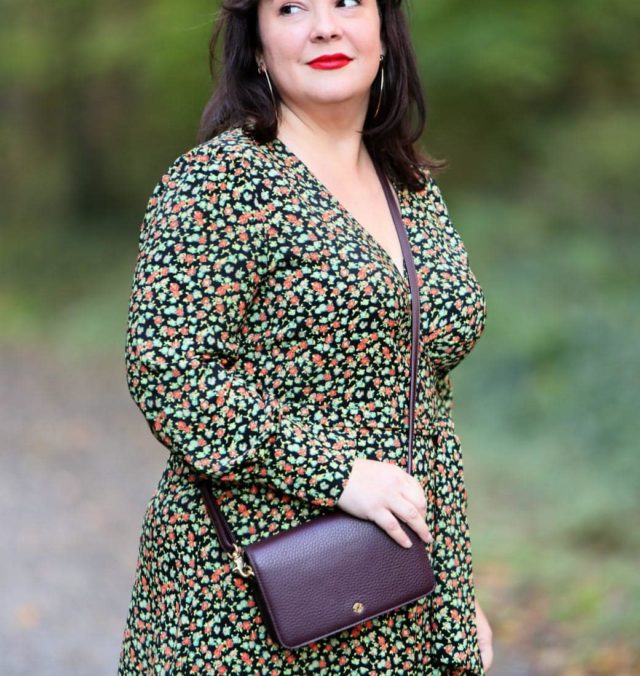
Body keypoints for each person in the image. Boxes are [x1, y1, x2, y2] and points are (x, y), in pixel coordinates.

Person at [118, 0, 494, 673]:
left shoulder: (409, 187)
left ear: (385, 32)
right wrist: (338, 473)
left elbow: (423, 406)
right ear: (258, 45)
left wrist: (454, 590)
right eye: (291, 7)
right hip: (253, 596)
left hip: (397, 586)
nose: (325, 25)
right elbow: (170, 372)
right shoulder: (217, 184)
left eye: (348, 2)